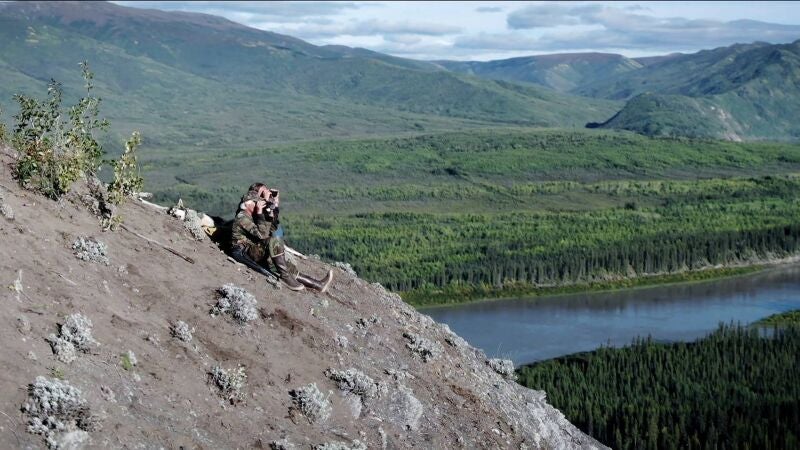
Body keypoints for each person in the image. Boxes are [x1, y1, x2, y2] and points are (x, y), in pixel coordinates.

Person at [230, 182, 333, 292]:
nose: (257, 204)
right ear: (248, 205)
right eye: (255, 203)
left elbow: (273, 229)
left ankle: (317, 284)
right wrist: (260, 213)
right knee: (274, 241)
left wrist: (274, 206)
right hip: (244, 250)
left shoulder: (252, 215)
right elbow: (263, 235)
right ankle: (286, 278)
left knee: (282, 261)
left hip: (253, 248)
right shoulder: (242, 217)